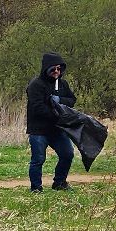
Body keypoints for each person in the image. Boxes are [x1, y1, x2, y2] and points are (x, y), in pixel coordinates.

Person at [24, 52, 77, 192]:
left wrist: (60, 101)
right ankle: (36, 187)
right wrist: (56, 114)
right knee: (38, 159)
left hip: (58, 130)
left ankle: (59, 182)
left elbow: (72, 100)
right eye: (53, 69)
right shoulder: (35, 85)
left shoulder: (62, 84)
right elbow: (37, 108)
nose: (56, 72)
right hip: (38, 129)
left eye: (59, 69)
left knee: (67, 154)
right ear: (46, 69)